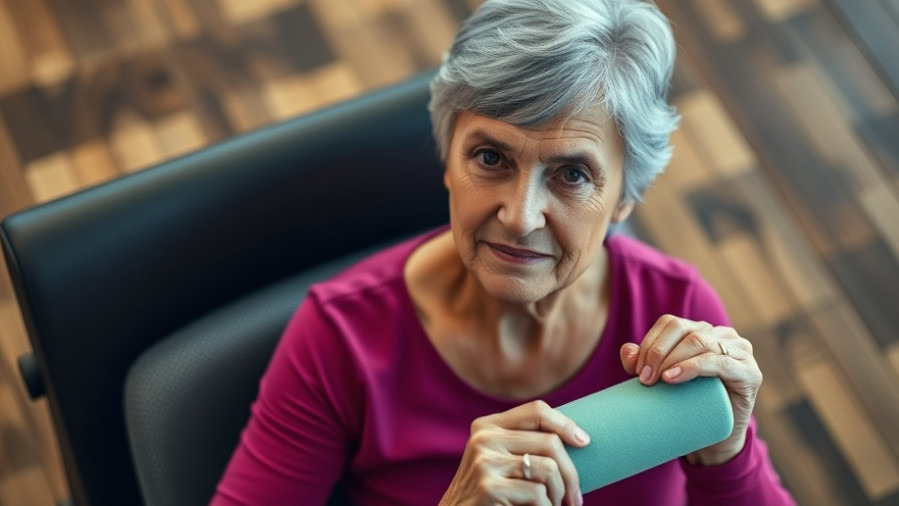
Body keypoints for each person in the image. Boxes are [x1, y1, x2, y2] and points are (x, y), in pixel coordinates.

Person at [212, 0, 795, 504]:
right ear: (447, 160)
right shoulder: (339, 340)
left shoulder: (676, 310)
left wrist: (728, 453)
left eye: (571, 174)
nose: (519, 217)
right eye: (491, 158)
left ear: (625, 198)